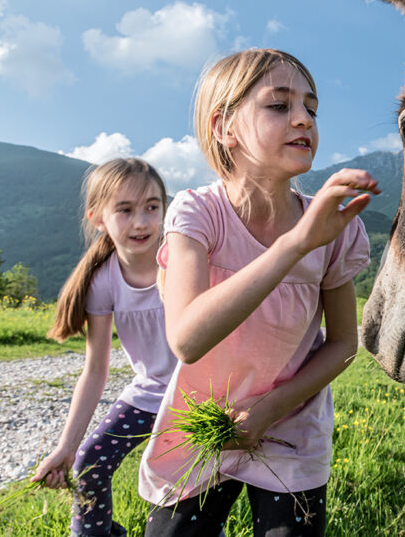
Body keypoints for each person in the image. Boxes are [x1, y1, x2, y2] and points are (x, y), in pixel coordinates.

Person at [139, 49, 376, 537]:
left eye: (311, 108)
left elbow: (343, 344)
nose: (303, 119)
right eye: (278, 105)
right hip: (203, 422)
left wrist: (271, 408)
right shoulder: (198, 213)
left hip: (290, 426)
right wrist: (295, 244)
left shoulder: (335, 228)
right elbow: (186, 338)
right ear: (225, 127)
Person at [32, 158, 177, 537]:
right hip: (147, 395)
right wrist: (66, 447)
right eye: (125, 210)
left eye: (152, 207)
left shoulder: (183, 258)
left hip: (196, 395)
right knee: (90, 463)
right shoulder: (103, 279)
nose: (141, 222)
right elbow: (96, 369)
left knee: (186, 490)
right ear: (98, 218)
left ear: (165, 207)